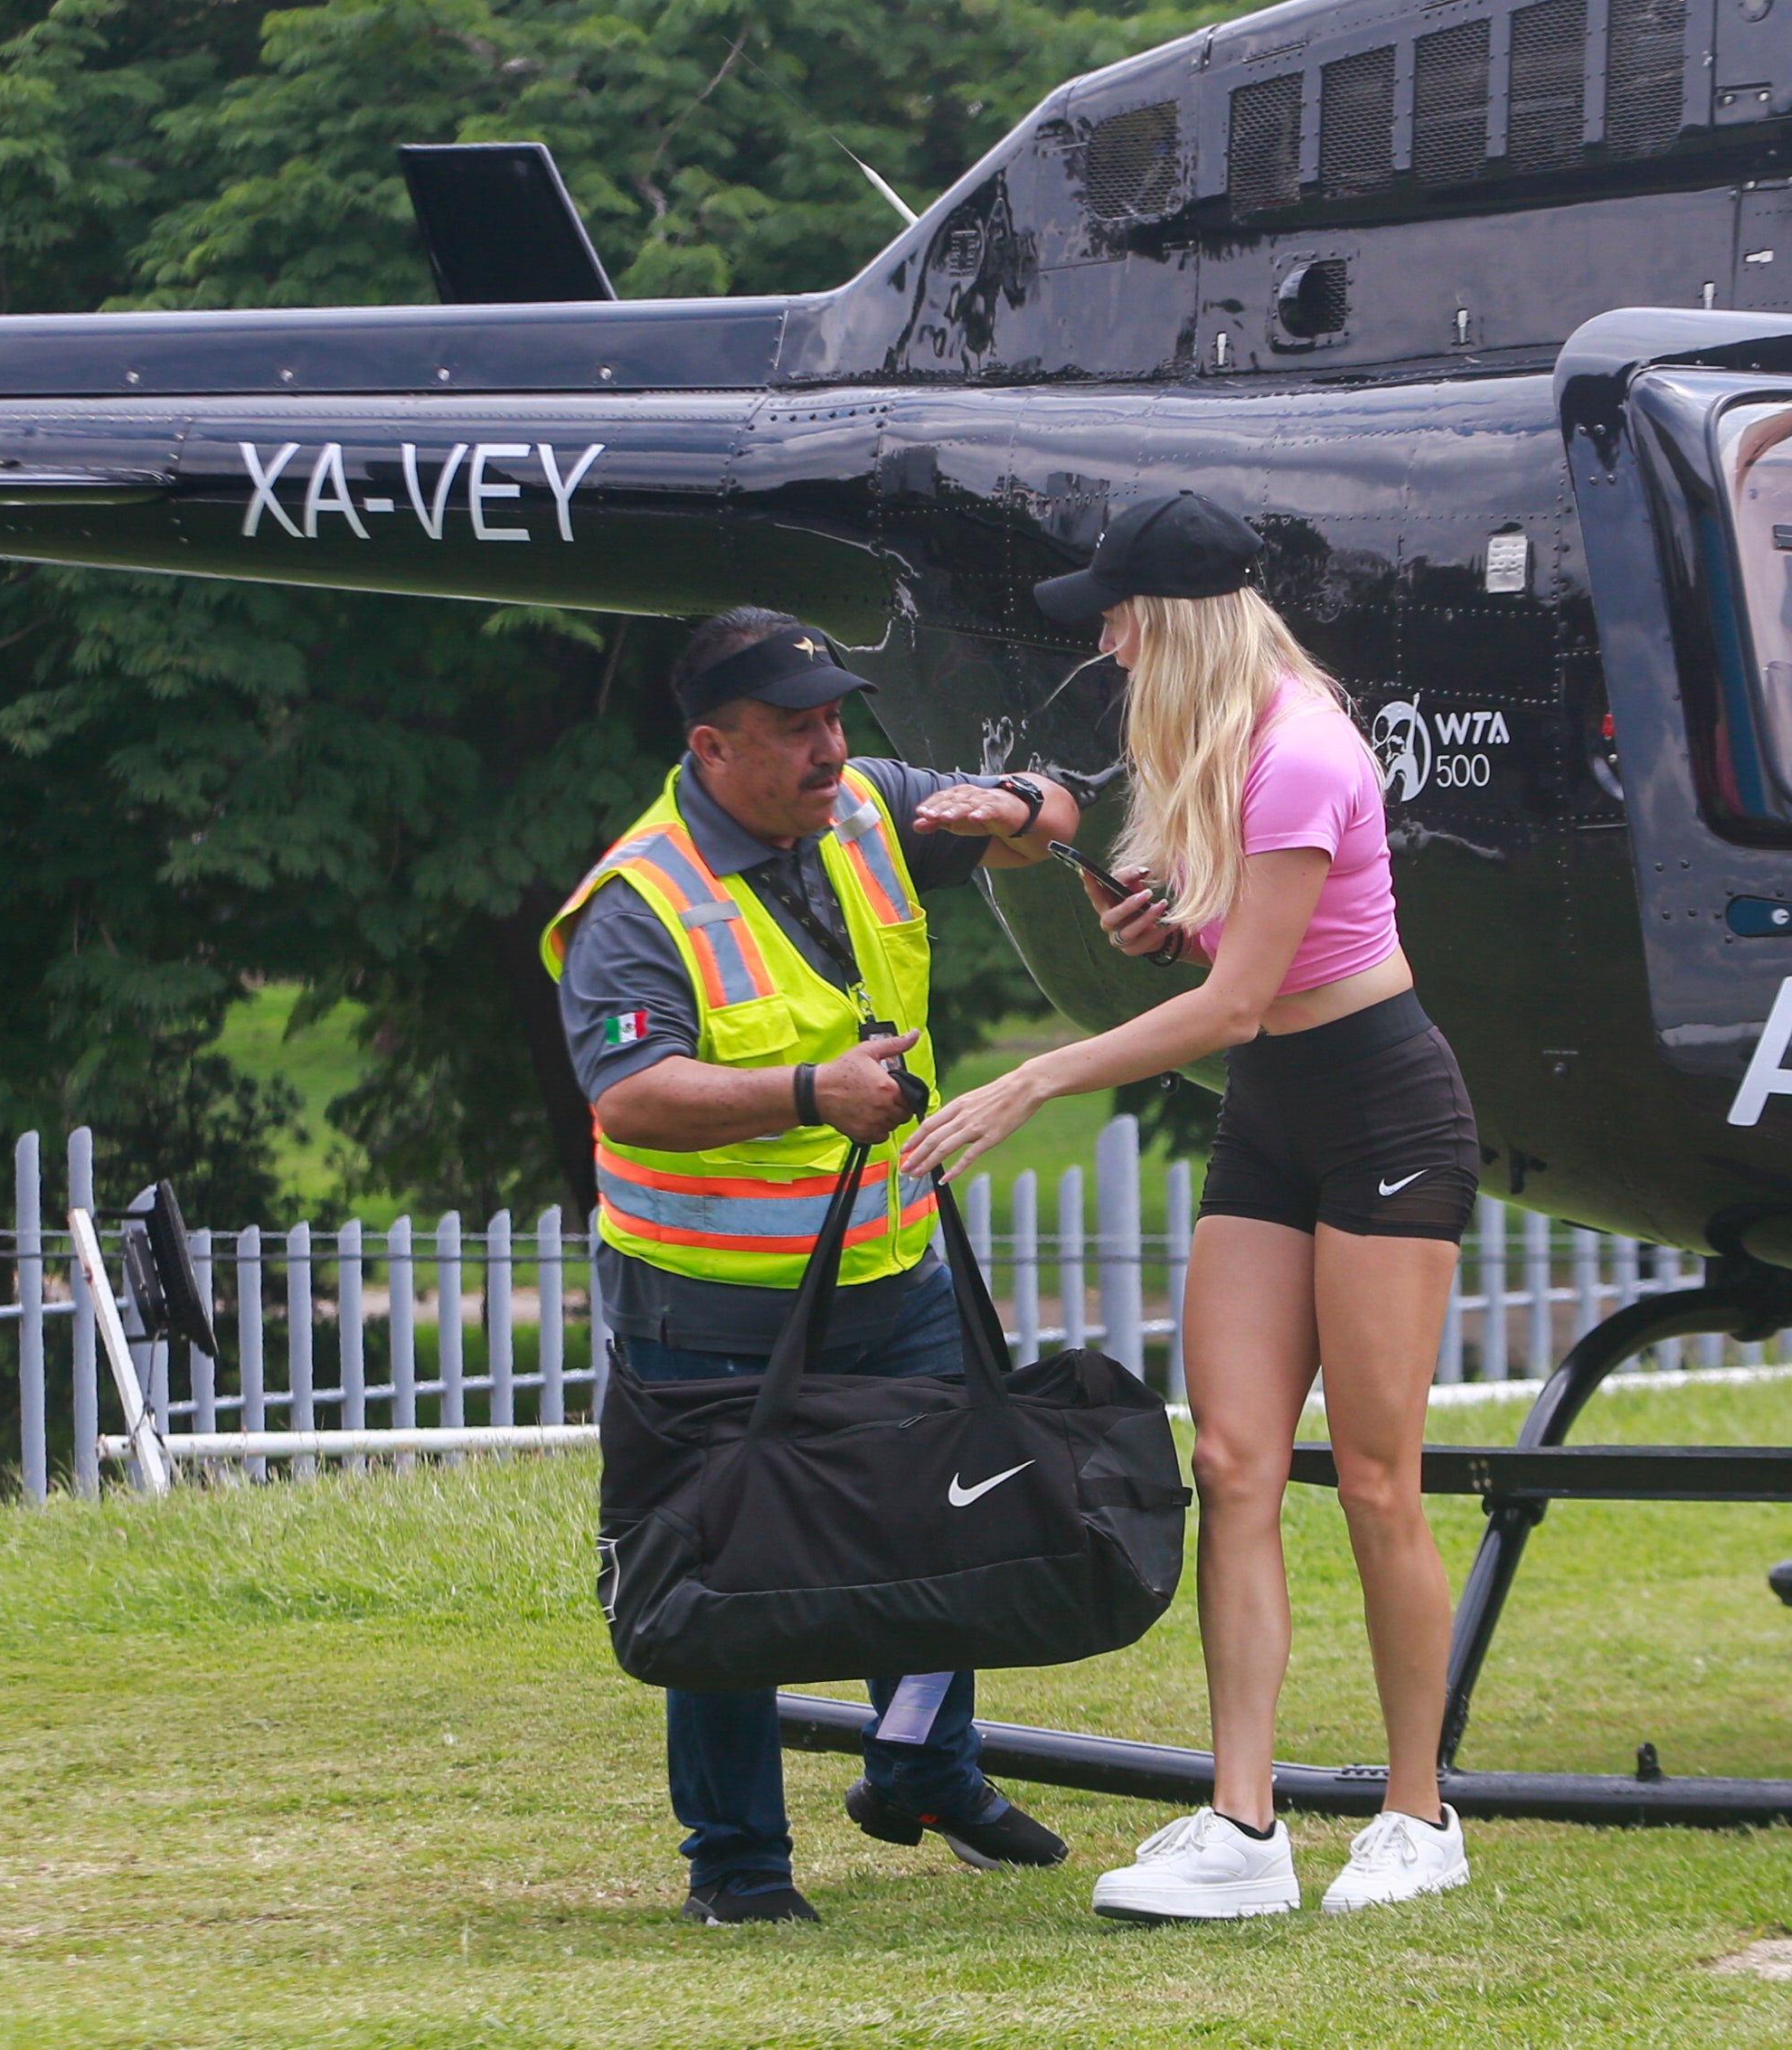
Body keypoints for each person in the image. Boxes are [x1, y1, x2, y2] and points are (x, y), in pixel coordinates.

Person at [902, 494, 1482, 1922]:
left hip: (1384, 1112)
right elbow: (1230, 963)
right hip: (1276, 1117)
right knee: (1230, 1461)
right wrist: (1165, 911)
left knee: (1372, 1477)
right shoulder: (1205, 744)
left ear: (1171, 620)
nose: (1099, 641)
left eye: (1114, 615)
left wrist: (1032, 1080)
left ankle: (1420, 1816)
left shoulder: (1297, 750)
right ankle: (1243, 1823)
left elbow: (1233, 1003)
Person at [542, 606, 1085, 1926]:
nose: (833, 748)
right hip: (706, 1300)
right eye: (798, 730)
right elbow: (629, 1098)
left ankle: (924, 1773)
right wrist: (803, 1091)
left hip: (887, 1264)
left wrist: (1017, 804)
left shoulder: (864, 808)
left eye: (838, 718)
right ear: (713, 747)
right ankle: (737, 1865)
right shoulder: (641, 899)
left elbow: (1061, 813)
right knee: (732, 1574)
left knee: (948, 1512)